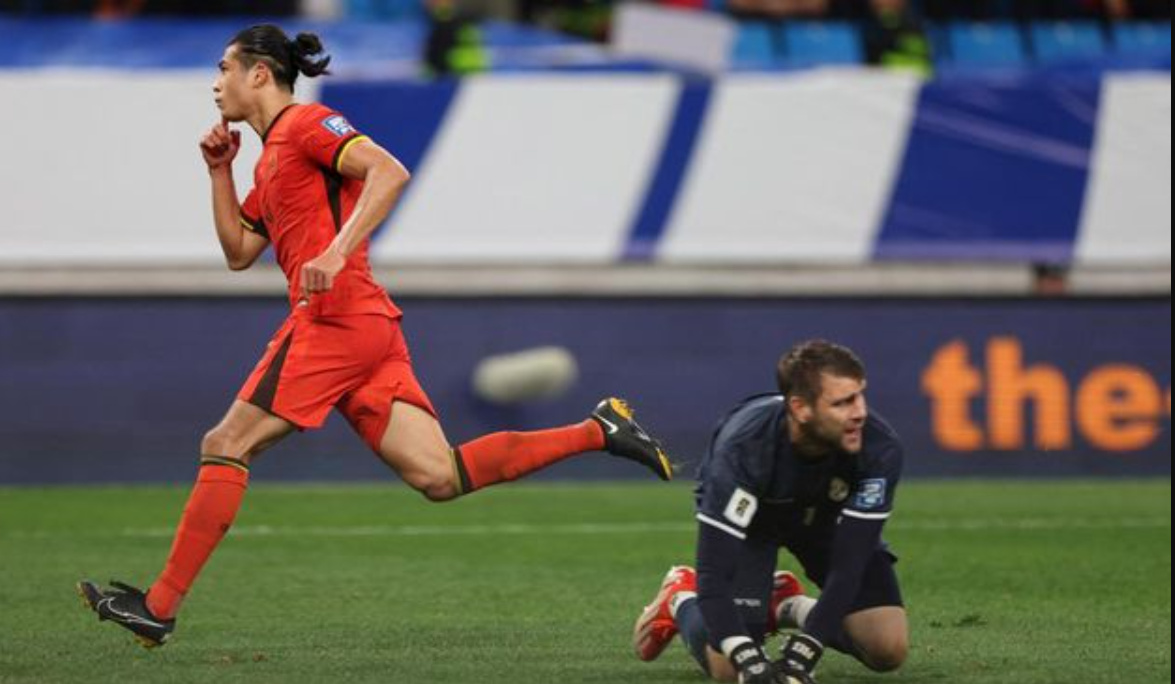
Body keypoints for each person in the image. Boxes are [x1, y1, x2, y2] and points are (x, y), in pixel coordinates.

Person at [78, 24, 674, 649]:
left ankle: (160, 606)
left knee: (226, 441)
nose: (215, 81)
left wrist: (336, 252)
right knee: (439, 477)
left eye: (224, 67)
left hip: (334, 321)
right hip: (368, 329)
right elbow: (238, 252)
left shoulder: (309, 125)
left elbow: (389, 171)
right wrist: (219, 172)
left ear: (260, 73)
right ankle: (599, 429)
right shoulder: (268, 157)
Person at [632, 340, 908, 684]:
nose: (860, 412)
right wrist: (748, 658)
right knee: (730, 672)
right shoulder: (743, 449)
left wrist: (805, 651)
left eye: (860, 395)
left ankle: (784, 605)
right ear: (801, 408)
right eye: (842, 402)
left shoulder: (878, 447)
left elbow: (848, 568)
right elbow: (713, 575)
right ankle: (681, 599)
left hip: (824, 519)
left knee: (887, 648)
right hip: (755, 524)